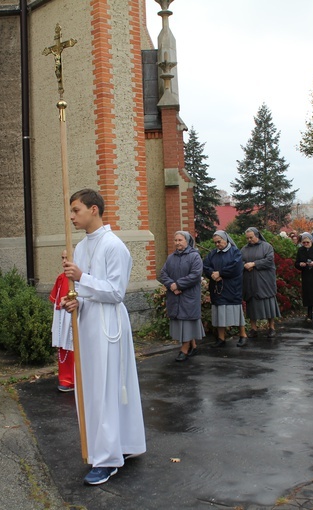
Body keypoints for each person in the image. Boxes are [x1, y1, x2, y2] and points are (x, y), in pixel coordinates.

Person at [60, 189, 146, 486]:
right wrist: (76, 301)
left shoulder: (114, 246)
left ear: (93, 210)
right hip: (88, 323)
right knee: (93, 388)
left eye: (76, 210)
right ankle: (124, 443)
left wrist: (81, 277)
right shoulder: (81, 247)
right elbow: (86, 293)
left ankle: (107, 460)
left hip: (109, 325)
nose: (71, 217)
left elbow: (115, 292)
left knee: (108, 389)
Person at [159, 231, 204, 362]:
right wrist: (171, 285)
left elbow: (195, 275)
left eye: (180, 240)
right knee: (182, 322)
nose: (177, 243)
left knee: (187, 322)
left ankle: (184, 350)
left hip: (188, 295)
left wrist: (178, 285)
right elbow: (163, 274)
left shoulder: (195, 256)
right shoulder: (171, 257)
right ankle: (193, 346)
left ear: (187, 241)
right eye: (176, 240)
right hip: (175, 295)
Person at [203, 230, 248, 347]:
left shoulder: (235, 252)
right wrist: (212, 273)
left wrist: (220, 273)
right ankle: (221, 338)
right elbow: (205, 265)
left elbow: (236, 267)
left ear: (225, 239)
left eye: (219, 241)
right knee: (219, 314)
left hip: (232, 287)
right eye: (215, 243)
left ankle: (243, 335)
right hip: (217, 288)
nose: (217, 244)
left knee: (236, 312)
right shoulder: (213, 254)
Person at [241, 227, 281, 338]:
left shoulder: (267, 247)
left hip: (265, 281)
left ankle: (271, 327)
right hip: (250, 281)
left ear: (257, 235)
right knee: (252, 304)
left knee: (269, 304)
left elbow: (269, 260)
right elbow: (239, 260)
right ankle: (253, 328)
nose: (249, 240)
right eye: (247, 238)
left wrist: (254, 264)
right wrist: (244, 265)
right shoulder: (244, 249)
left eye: (251, 237)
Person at [50, 252, 75, 392]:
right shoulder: (60, 278)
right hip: (61, 317)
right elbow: (56, 301)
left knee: (75, 348)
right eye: (62, 258)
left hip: (74, 318)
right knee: (63, 348)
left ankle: (76, 380)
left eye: (67, 258)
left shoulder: (80, 278)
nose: (64, 261)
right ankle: (65, 379)